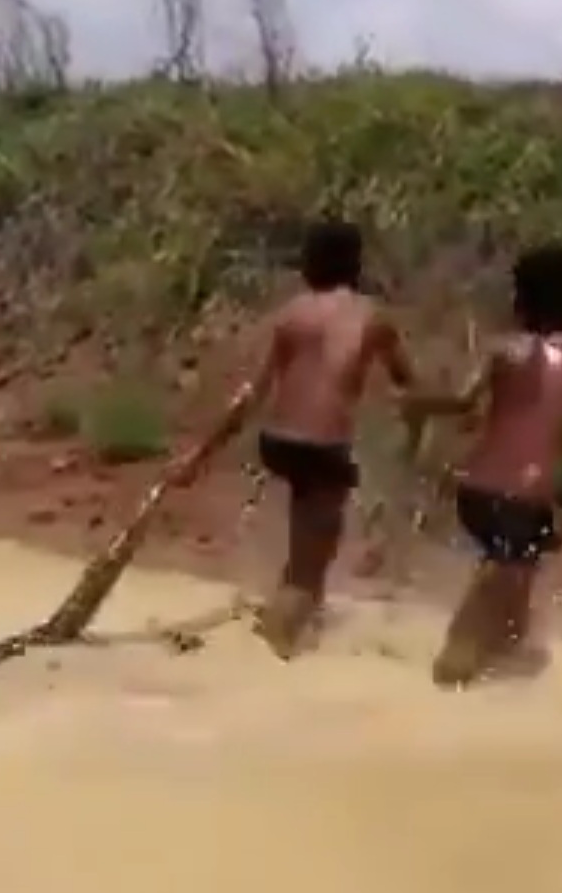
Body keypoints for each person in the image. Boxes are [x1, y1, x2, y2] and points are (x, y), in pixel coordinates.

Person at [168, 220, 418, 659]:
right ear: (356, 265)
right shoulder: (373, 317)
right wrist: (414, 440)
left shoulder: (291, 314)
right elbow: (409, 384)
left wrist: (199, 455)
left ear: (309, 263)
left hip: (278, 442)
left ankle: (292, 620)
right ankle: (271, 649)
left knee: (307, 538)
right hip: (325, 449)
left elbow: (252, 393)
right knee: (309, 569)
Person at [402, 243, 562, 688]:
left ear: (521, 298)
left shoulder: (502, 350)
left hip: (480, 491)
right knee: (502, 587)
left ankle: (480, 669)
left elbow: (461, 401)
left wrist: (415, 403)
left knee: (511, 592)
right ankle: (459, 677)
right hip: (530, 498)